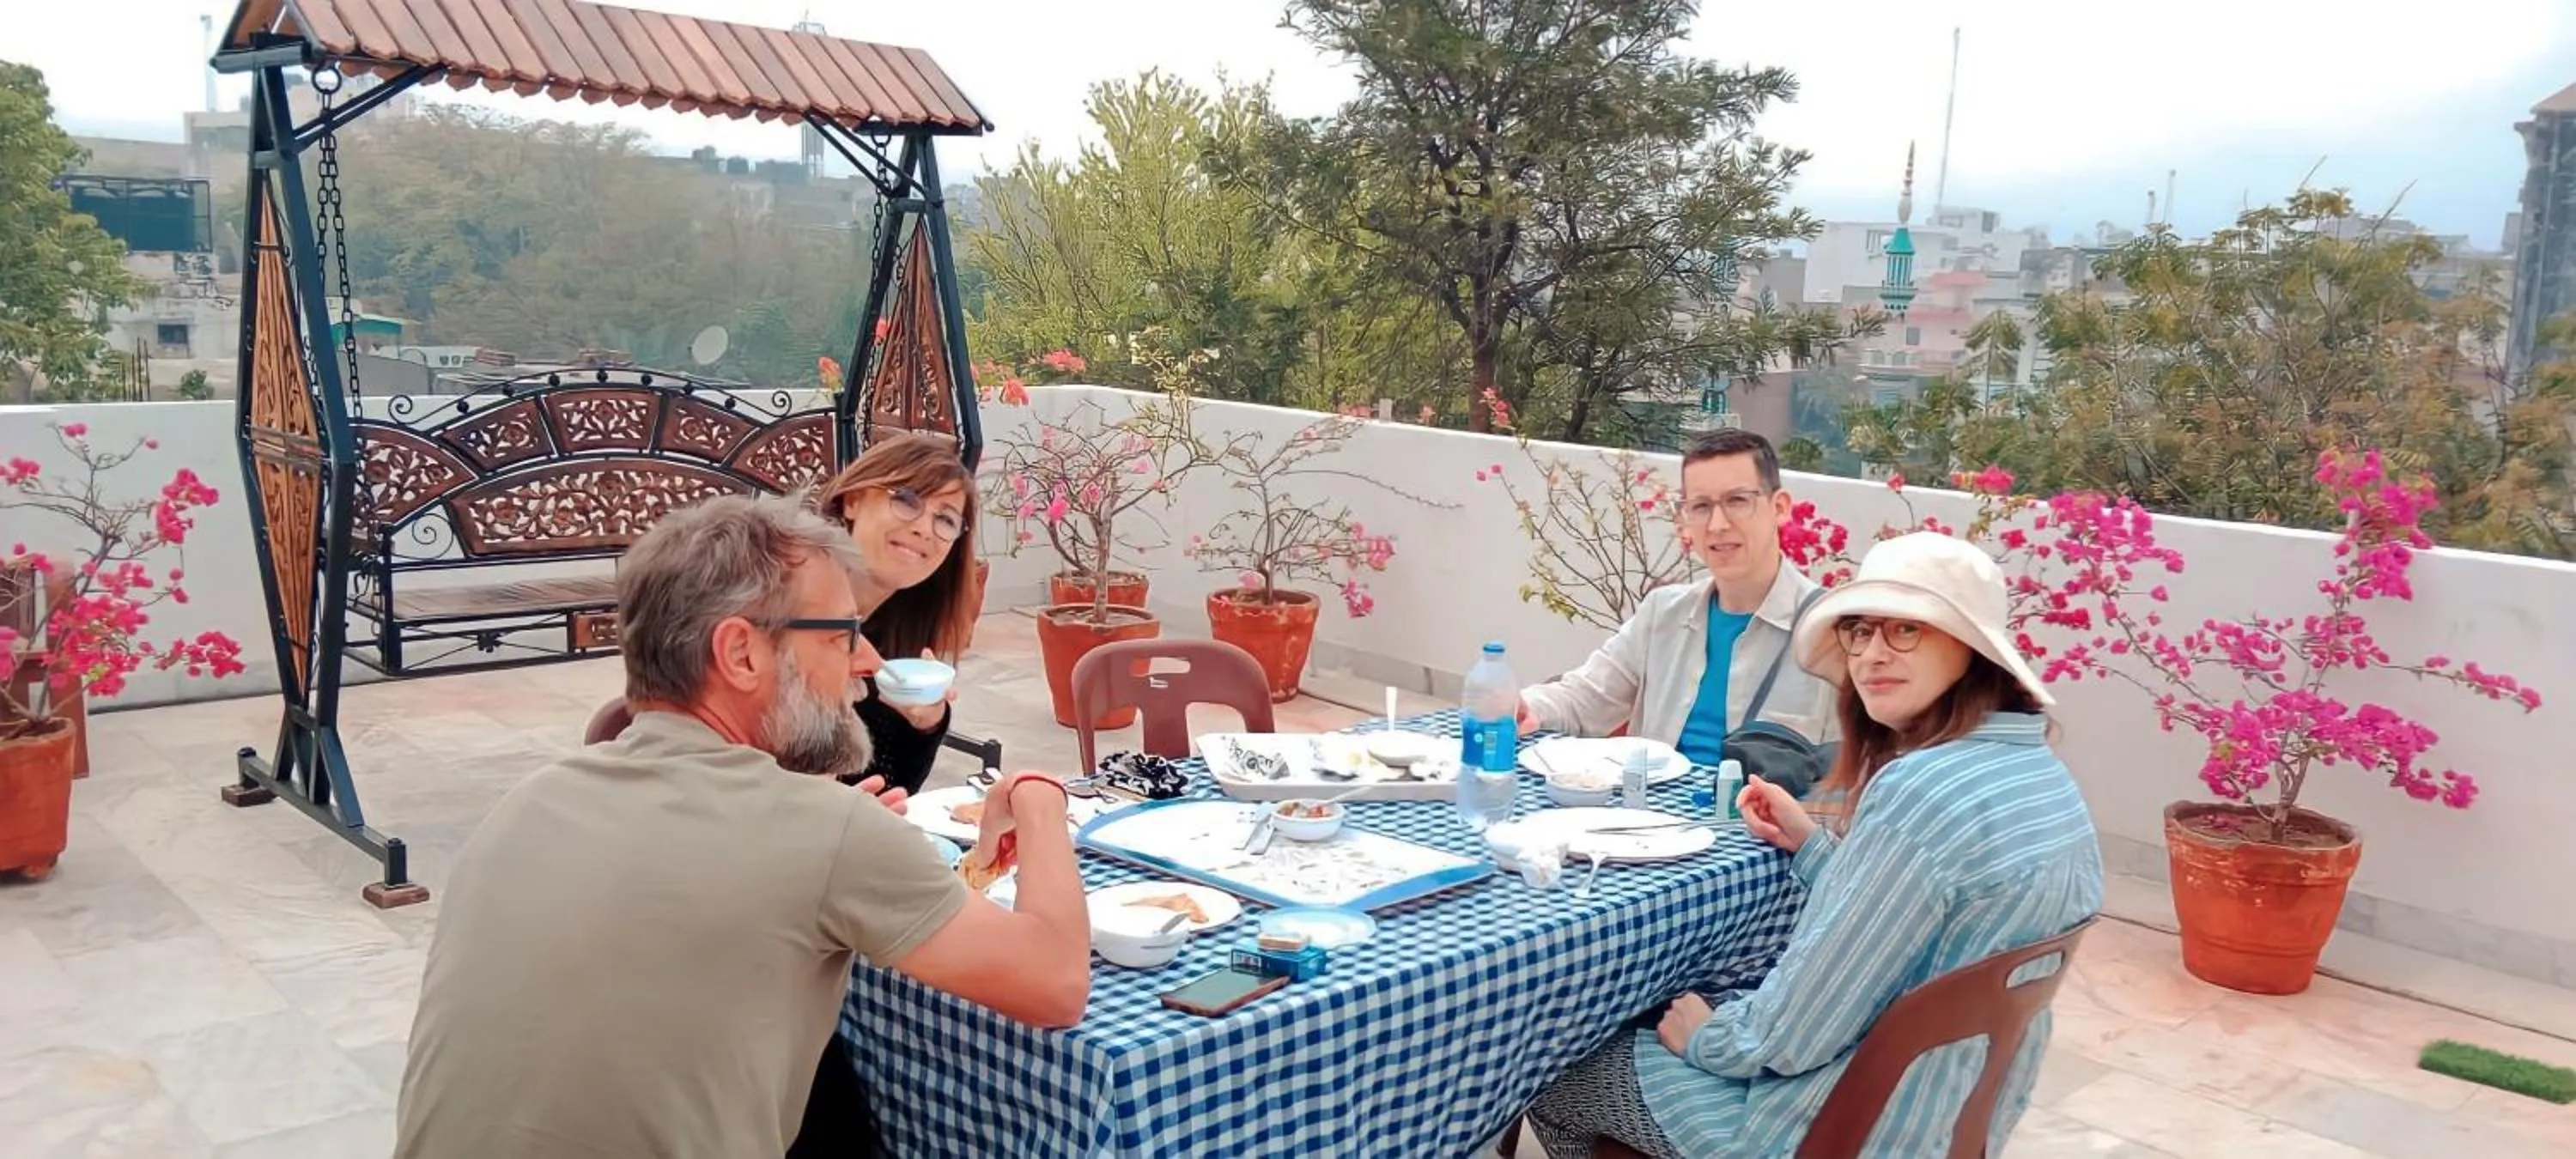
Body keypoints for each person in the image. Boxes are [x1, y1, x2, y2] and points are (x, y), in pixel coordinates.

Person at [394, 492, 1091, 1159]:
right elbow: (1056, 985)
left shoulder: (528, 803)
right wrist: (1038, 799)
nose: (867, 662)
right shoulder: (823, 831)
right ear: (741, 654)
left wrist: (829, 842)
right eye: (844, 634)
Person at [1520, 531, 2104, 1159]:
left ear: (1973, 650)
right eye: (1860, 630)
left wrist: (1708, 1039)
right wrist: (1813, 846)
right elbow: (1916, 928)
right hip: (1943, 1123)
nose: (1873, 654)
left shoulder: (1921, 791)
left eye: (1906, 630)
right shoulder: (2048, 781)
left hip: (1826, 1129)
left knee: (1556, 1066)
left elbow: (1797, 1030)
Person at [1516, 428, 1838, 777]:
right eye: (1701, 507)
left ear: (1779, 508)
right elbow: (1587, 698)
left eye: (1737, 501)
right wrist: (1524, 706)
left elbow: (1854, 773)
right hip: (1649, 822)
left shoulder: (1831, 631)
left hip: (1760, 827)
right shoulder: (1664, 613)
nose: (1717, 525)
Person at [812, 431, 982, 797]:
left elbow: (895, 792)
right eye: (906, 500)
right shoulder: (779, 611)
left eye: (946, 520)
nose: (924, 527)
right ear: (853, 501)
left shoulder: (897, 638)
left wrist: (924, 726)